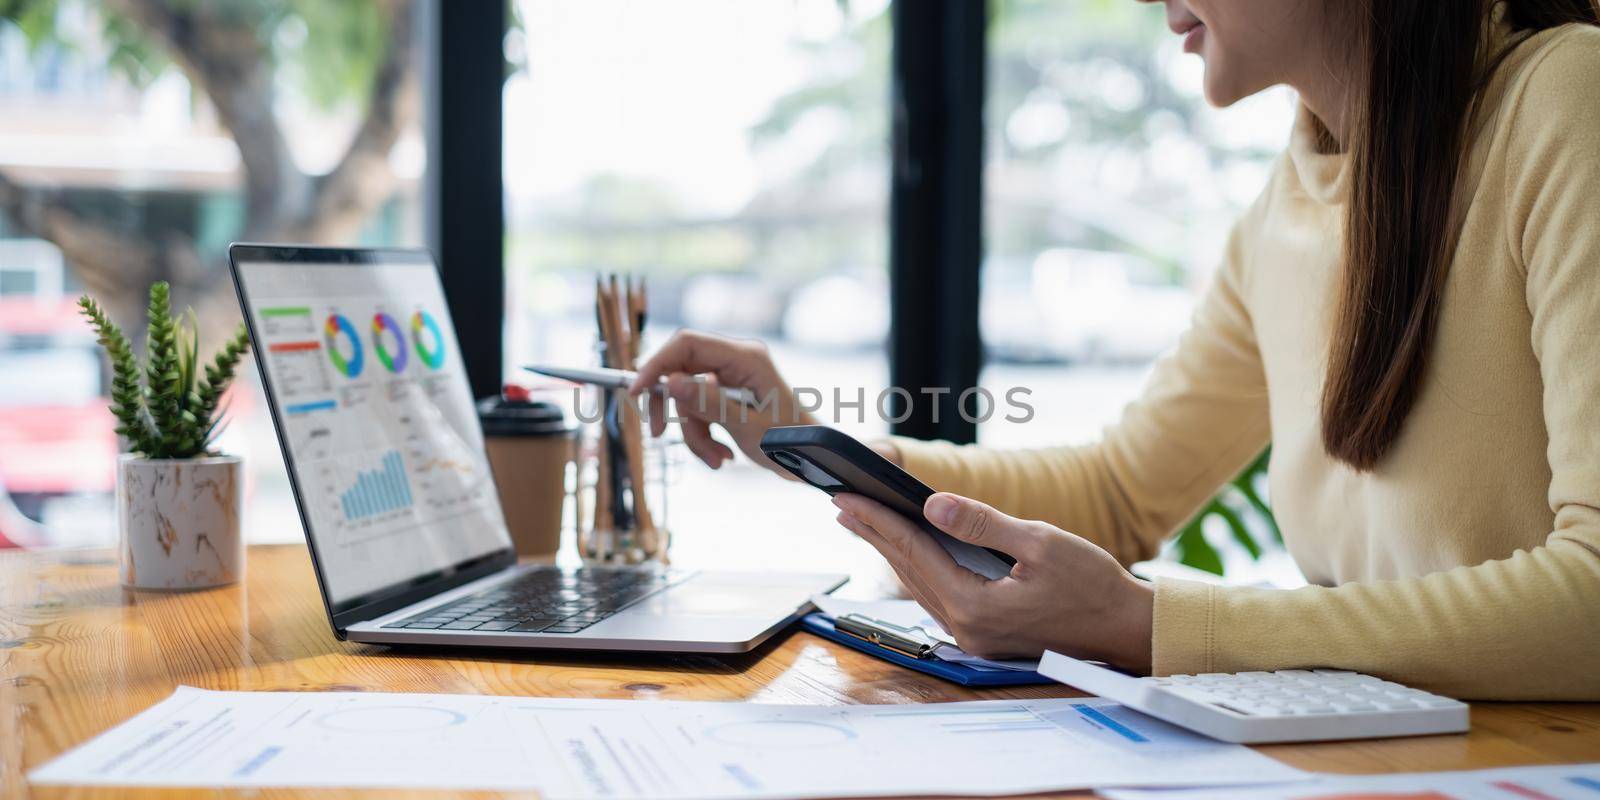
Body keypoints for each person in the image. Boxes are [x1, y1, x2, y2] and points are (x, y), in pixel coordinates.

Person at [629, 0, 1600, 700]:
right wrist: (805, 437)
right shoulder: (1286, 208)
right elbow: (1122, 491)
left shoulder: (1565, 97)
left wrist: (1151, 627)